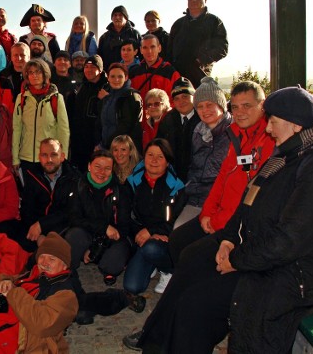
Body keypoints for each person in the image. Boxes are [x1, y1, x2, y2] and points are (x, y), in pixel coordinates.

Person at [123, 86, 313, 353]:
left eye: (273, 122)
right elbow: (248, 202)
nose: (269, 129)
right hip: (259, 249)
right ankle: (158, 337)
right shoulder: (288, 155)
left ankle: (171, 339)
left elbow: (290, 241)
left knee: (196, 302)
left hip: (293, 273)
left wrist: (237, 258)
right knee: (192, 259)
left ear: (296, 125)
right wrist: (230, 238)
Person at [168, 81, 275, 265]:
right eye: (235, 107)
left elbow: (247, 193)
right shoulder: (232, 134)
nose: (240, 112)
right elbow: (223, 177)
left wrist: (216, 219)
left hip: (240, 222)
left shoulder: (265, 139)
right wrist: (207, 214)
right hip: (204, 201)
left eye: (247, 106)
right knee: (178, 238)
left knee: (192, 254)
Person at [123, 139, 185, 301]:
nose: (154, 160)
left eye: (160, 156)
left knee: (152, 248)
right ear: (144, 158)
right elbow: (124, 215)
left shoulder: (176, 187)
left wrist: (151, 231)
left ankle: (168, 270)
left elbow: (174, 219)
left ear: (167, 161)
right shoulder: (132, 182)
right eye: (150, 155)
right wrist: (139, 232)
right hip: (140, 238)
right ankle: (152, 262)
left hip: (162, 239)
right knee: (132, 287)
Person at [65, 149, 133, 286]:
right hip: (87, 232)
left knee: (112, 265)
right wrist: (103, 227)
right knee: (74, 235)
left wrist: (98, 247)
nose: (102, 172)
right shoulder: (78, 186)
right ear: (89, 166)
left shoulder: (121, 190)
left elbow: (124, 226)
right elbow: (74, 218)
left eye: (107, 168)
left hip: (111, 238)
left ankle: (103, 260)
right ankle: (67, 268)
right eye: (98, 167)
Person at [173, 77, 232, 230]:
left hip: (222, 203)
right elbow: (194, 167)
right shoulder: (198, 131)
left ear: (221, 105)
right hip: (196, 199)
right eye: (200, 106)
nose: (205, 110)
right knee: (177, 232)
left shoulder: (233, 133)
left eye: (209, 105)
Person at [18, 138, 80, 252]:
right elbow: (26, 209)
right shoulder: (32, 175)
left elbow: (70, 211)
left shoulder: (73, 177)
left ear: (62, 157)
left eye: (54, 155)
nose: (49, 159)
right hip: (36, 228)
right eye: (44, 155)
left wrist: (41, 225)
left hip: (62, 227)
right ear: (39, 157)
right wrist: (39, 235)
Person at [12, 59, 70, 176]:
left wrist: (62, 156)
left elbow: (63, 130)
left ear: (45, 74)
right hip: (26, 157)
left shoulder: (56, 98)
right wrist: (15, 158)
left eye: (38, 72)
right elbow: (17, 128)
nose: (34, 76)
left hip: (49, 159)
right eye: (31, 72)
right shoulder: (22, 98)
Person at [167, 0, 228, 88]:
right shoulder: (178, 24)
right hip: (178, 76)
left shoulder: (214, 22)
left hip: (200, 75)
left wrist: (201, 60)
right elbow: (169, 50)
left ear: (205, 0)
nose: (194, 0)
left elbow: (222, 48)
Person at [156, 77, 200, 181]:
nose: (181, 101)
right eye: (177, 98)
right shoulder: (168, 119)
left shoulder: (202, 118)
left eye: (185, 96)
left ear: (194, 97)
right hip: (172, 177)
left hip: (196, 178)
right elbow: (159, 146)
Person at [69, 55, 107, 171]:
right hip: (79, 141)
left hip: (96, 142)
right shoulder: (81, 87)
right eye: (86, 67)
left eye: (93, 67)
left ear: (100, 70)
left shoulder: (106, 88)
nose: (89, 70)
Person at [96, 62, 143, 151]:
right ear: (108, 78)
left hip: (123, 149)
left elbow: (126, 126)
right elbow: (101, 124)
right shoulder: (107, 98)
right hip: (106, 147)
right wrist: (99, 143)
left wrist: (108, 144)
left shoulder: (131, 97)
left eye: (120, 76)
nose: (116, 79)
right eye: (112, 76)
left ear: (126, 78)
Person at [130, 34, 181, 103]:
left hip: (163, 113)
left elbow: (177, 99)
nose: (149, 51)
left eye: (152, 47)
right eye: (145, 48)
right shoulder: (134, 72)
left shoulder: (170, 72)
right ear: (141, 50)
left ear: (159, 48)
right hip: (140, 113)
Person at [97, 5, 141, 72]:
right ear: (112, 18)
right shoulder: (104, 37)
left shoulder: (135, 34)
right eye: (115, 15)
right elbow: (100, 57)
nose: (117, 17)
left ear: (126, 18)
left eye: (120, 15)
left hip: (132, 73)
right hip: (110, 74)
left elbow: (141, 54)